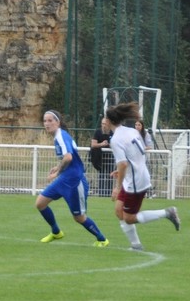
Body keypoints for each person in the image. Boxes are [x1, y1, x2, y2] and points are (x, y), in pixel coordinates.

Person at [106, 102, 180, 250]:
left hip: (136, 182)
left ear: (108, 121)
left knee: (129, 218)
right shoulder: (131, 131)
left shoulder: (115, 140)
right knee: (119, 211)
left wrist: (117, 187)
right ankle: (136, 245)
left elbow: (123, 164)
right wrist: (121, 173)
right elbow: (132, 157)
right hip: (136, 176)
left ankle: (167, 213)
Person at [36, 110, 109, 247]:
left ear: (58, 122)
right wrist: (58, 168)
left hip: (75, 182)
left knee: (79, 218)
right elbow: (68, 157)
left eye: (50, 120)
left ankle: (102, 239)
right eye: (45, 121)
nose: (47, 124)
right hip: (64, 179)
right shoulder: (59, 136)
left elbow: (68, 157)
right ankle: (56, 232)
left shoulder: (61, 136)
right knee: (40, 203)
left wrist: (56, 173)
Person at [89, 116, 115, 197]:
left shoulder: (112, 132)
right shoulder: (98, 132)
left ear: (109, 124)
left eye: (105, 124)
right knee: (101, 174)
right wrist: (102, 144)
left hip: (110, 157)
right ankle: (101, 193)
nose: (103, 125)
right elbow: (93, 144)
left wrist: (111, 145)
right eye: (102, 124)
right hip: (100, 158)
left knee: (110, 175)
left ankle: (109, 193)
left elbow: (118, 144)